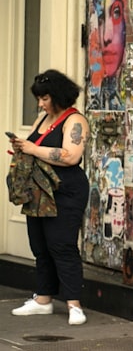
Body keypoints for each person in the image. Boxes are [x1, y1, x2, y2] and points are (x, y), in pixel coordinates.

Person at [9, 70, 91, 325]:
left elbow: (70, 156)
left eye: (45, 98)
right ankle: (43, 298)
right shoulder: (43, 118)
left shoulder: (75, 120)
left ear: (57, 96)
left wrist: (33, 149)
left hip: (66, 190)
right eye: (39, 98)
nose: (41, 103)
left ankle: (73, 303)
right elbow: (35, 145)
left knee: (62, 244)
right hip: (39, 189)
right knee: (40, 245)